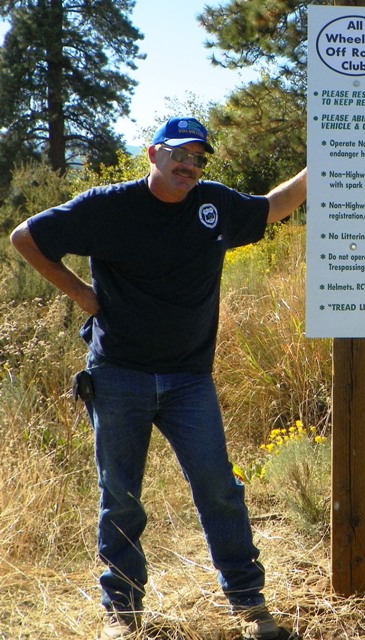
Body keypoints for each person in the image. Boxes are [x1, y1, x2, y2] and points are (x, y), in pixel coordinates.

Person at [10, 117, 307, 640]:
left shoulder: (212, 205)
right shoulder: (109, 206)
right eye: (180, 155)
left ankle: (248, 603)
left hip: (189, 378)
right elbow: (26, 236)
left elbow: (273, 207)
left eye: (198, 159)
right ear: (153, 154)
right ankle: (122, 613)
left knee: (218, 488)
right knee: (121, 495)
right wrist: (80, 292)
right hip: (119, 373)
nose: (188, 167)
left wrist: (321, 166)